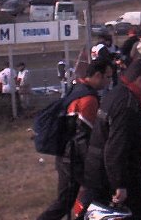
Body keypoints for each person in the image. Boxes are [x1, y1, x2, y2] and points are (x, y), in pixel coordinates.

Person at [82, 59, 141, 220]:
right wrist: (119, 184)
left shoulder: (119, 93)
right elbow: (115, 149)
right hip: (109, 174)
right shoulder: (126, 106)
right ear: (140, 80)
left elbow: (130, 139)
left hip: (102, 170)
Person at [36, 59, 113, 220]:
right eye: (108, 77)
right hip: (74, 159)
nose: (109, 81)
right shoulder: (89, 100)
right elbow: (85, 137)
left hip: (64, 155)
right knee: (99, 192)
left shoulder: (78, 88)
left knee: (65, 201)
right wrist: (94, 164)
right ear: (98, 76)